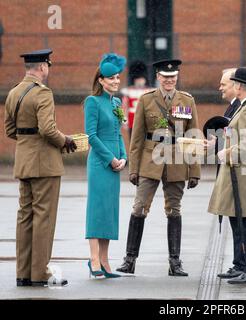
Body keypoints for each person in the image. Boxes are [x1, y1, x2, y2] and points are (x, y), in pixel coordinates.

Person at [117, 59, 201, 276]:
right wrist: (133, 168)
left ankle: (175, 262)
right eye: (165, 77)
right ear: (158, 77)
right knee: (139, 208)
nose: (169, 81)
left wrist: (195, 170)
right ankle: (130, 259)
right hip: (150, 159)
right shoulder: (146, 100)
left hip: (176, 159)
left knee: (174, 210)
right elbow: (136, 139)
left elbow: (193, 136)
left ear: (177, 78)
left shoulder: (187, 100)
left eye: (173, 77)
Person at [4, 49, 76, 287]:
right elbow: (47, 129)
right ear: (43, 67)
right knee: (44, 218)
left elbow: (10, 131)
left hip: (24, 161)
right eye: (48, 66)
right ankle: (40, 273)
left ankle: (23, 273)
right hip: (44, 163)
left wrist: (28, 143)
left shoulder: (14, 92)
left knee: (25, 217)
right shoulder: (43, 94)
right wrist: (65, 141)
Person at [208, 67, 246, 284]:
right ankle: (242, 264)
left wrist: (227, 153)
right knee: (240, 221)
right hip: (240, 176)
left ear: (240, 86)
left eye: (234, 83)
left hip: (245, 176)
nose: (232, 86)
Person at [83, 53, 128, 279]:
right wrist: (111, 158)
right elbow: (91, 136)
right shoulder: (92, 102)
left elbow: (118, 134)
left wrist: (124, 157)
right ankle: (93, 260)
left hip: (115, 163)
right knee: (97, 209)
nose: (115, 81)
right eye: (110, 78)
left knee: (110, 211)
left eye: (118, 77)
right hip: (100, 162)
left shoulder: (117, 103)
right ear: (101, 80)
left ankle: (105, 260)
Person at [121, 60, 154, 139]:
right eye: (138, 79)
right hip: (132, 119)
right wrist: (124, 120)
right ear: (134, 80)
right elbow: (124, 107)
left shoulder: (149, 91)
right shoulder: (128, 91)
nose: (140, 81)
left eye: (141, 79)